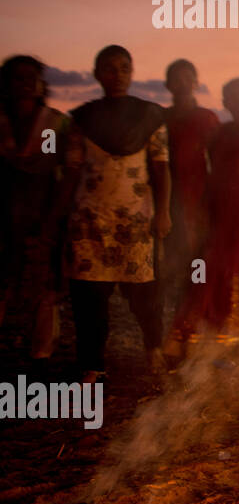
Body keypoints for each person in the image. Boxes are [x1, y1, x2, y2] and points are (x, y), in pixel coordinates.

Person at [64, 46, 170, 381]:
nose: (118, 75)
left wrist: (163, 213)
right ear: (97, 74)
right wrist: (60, 215)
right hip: (89, 221)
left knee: (145, 295)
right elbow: (71, 171)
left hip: (135, 219)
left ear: (132, 72)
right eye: (110, 69)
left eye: (125, 68)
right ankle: (92, 364)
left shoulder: (151, 116)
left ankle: (153, 350)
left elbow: (161, 169)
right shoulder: (80, 118)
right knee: (89, 298)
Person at [167, 79, 239, 355]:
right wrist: (203, 211)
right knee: (217, 268)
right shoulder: (218, 134)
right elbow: (214, 174)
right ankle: (222, 332)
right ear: (225, 102)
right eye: (233, 96)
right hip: (224, 209)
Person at [0, 56, 72, 362]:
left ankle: (41, 353)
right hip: (4, 212)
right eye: (18, 78)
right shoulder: (1, 122)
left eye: (33, 78)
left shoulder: (52, 123)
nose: (27, 83)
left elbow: (57, 172)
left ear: (43, 84)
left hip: (41, 212)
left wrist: (53, 219)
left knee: (45, 287)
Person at [162, 59, 220, 304]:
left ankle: (195, 308)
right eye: (177, 78)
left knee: (197, 257)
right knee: (166, 258)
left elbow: (218, 161)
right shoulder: (160, 118)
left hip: (198, 197)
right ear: (168, 84)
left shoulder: (207, 119)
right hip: (164, 198)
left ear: (196, 83)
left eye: (188, 78)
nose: (183, 83)